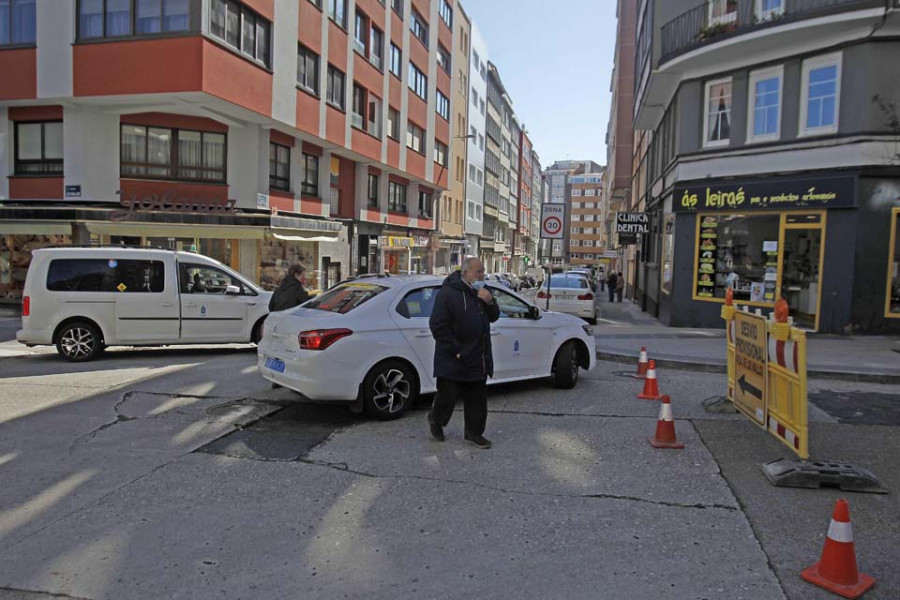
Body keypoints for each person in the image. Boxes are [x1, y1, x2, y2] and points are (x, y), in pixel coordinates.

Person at [427, 256, 500, 449]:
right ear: (466, 272)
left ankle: (474, 433)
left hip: (478, 354)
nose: (482, 275)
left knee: (477, 398)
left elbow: (494, 317)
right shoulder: (448, 293)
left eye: (483, 271)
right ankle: (436, 419)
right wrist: (457, 349)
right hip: (454, 355)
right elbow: (437, 325)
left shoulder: (483, 292)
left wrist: (490, 301)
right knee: (448, 395)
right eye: (479, 271)